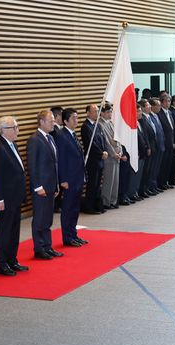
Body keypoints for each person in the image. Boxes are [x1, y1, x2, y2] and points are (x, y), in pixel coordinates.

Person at [0, 116, 29, 276]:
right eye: (14, 127)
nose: (17, 130)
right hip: (4, 198)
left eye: (17, 127)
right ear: (3, 130)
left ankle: (12, 260)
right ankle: (2, 263)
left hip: (15, 197)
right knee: (5, 231)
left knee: (14, 230)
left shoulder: (12, 144)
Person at [27, 110, 63, 260]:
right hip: (41, 187)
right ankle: (39, 248)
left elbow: (54, 164)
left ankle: (48, 246)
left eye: (54, 120)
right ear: (41, 122)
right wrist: (37, 186)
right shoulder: (35, 140)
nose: (53, 123)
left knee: (48, 218)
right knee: (40, 218)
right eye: (50, 121)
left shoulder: (50, 138)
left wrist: (56, 185)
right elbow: (32, 165)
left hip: (51, 186)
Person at [53, 108, 88, 247]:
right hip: (69, 179)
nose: (76, 120)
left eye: (77, 117)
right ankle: (67, 237)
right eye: (73, 118)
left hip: (78, 177)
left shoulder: (73, 134)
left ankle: (73, 234)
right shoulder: (61, 135)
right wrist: (63, 180)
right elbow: (60, 159)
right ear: (65, 121)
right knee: (68, 209)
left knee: (75, 208)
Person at [81, 104, 108, 214]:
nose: (97, 113)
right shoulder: (85, 126)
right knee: (92, 184)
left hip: (100, 159)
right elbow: (90, 144)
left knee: (98, 184)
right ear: (88, 113)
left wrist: (105, 150)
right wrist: (101, 153)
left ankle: (98, 205)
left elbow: (102, 140)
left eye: (98, 111)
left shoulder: (98, 125)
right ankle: (89, 207)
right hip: (93, 160)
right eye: (95, 111)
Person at [99, 103, 122, 209]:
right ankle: (106, 201)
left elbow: (118, 138)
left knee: (115, 180)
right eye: (108, 112)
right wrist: (113, 154)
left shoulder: (111, 123)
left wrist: (120, 151)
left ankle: (113, 200)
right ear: (102, 113)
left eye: (111, 111)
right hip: (110, 156)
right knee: (109, 180)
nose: (110, 114)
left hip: (117, 154)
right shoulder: (100, 124)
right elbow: (106, 142)